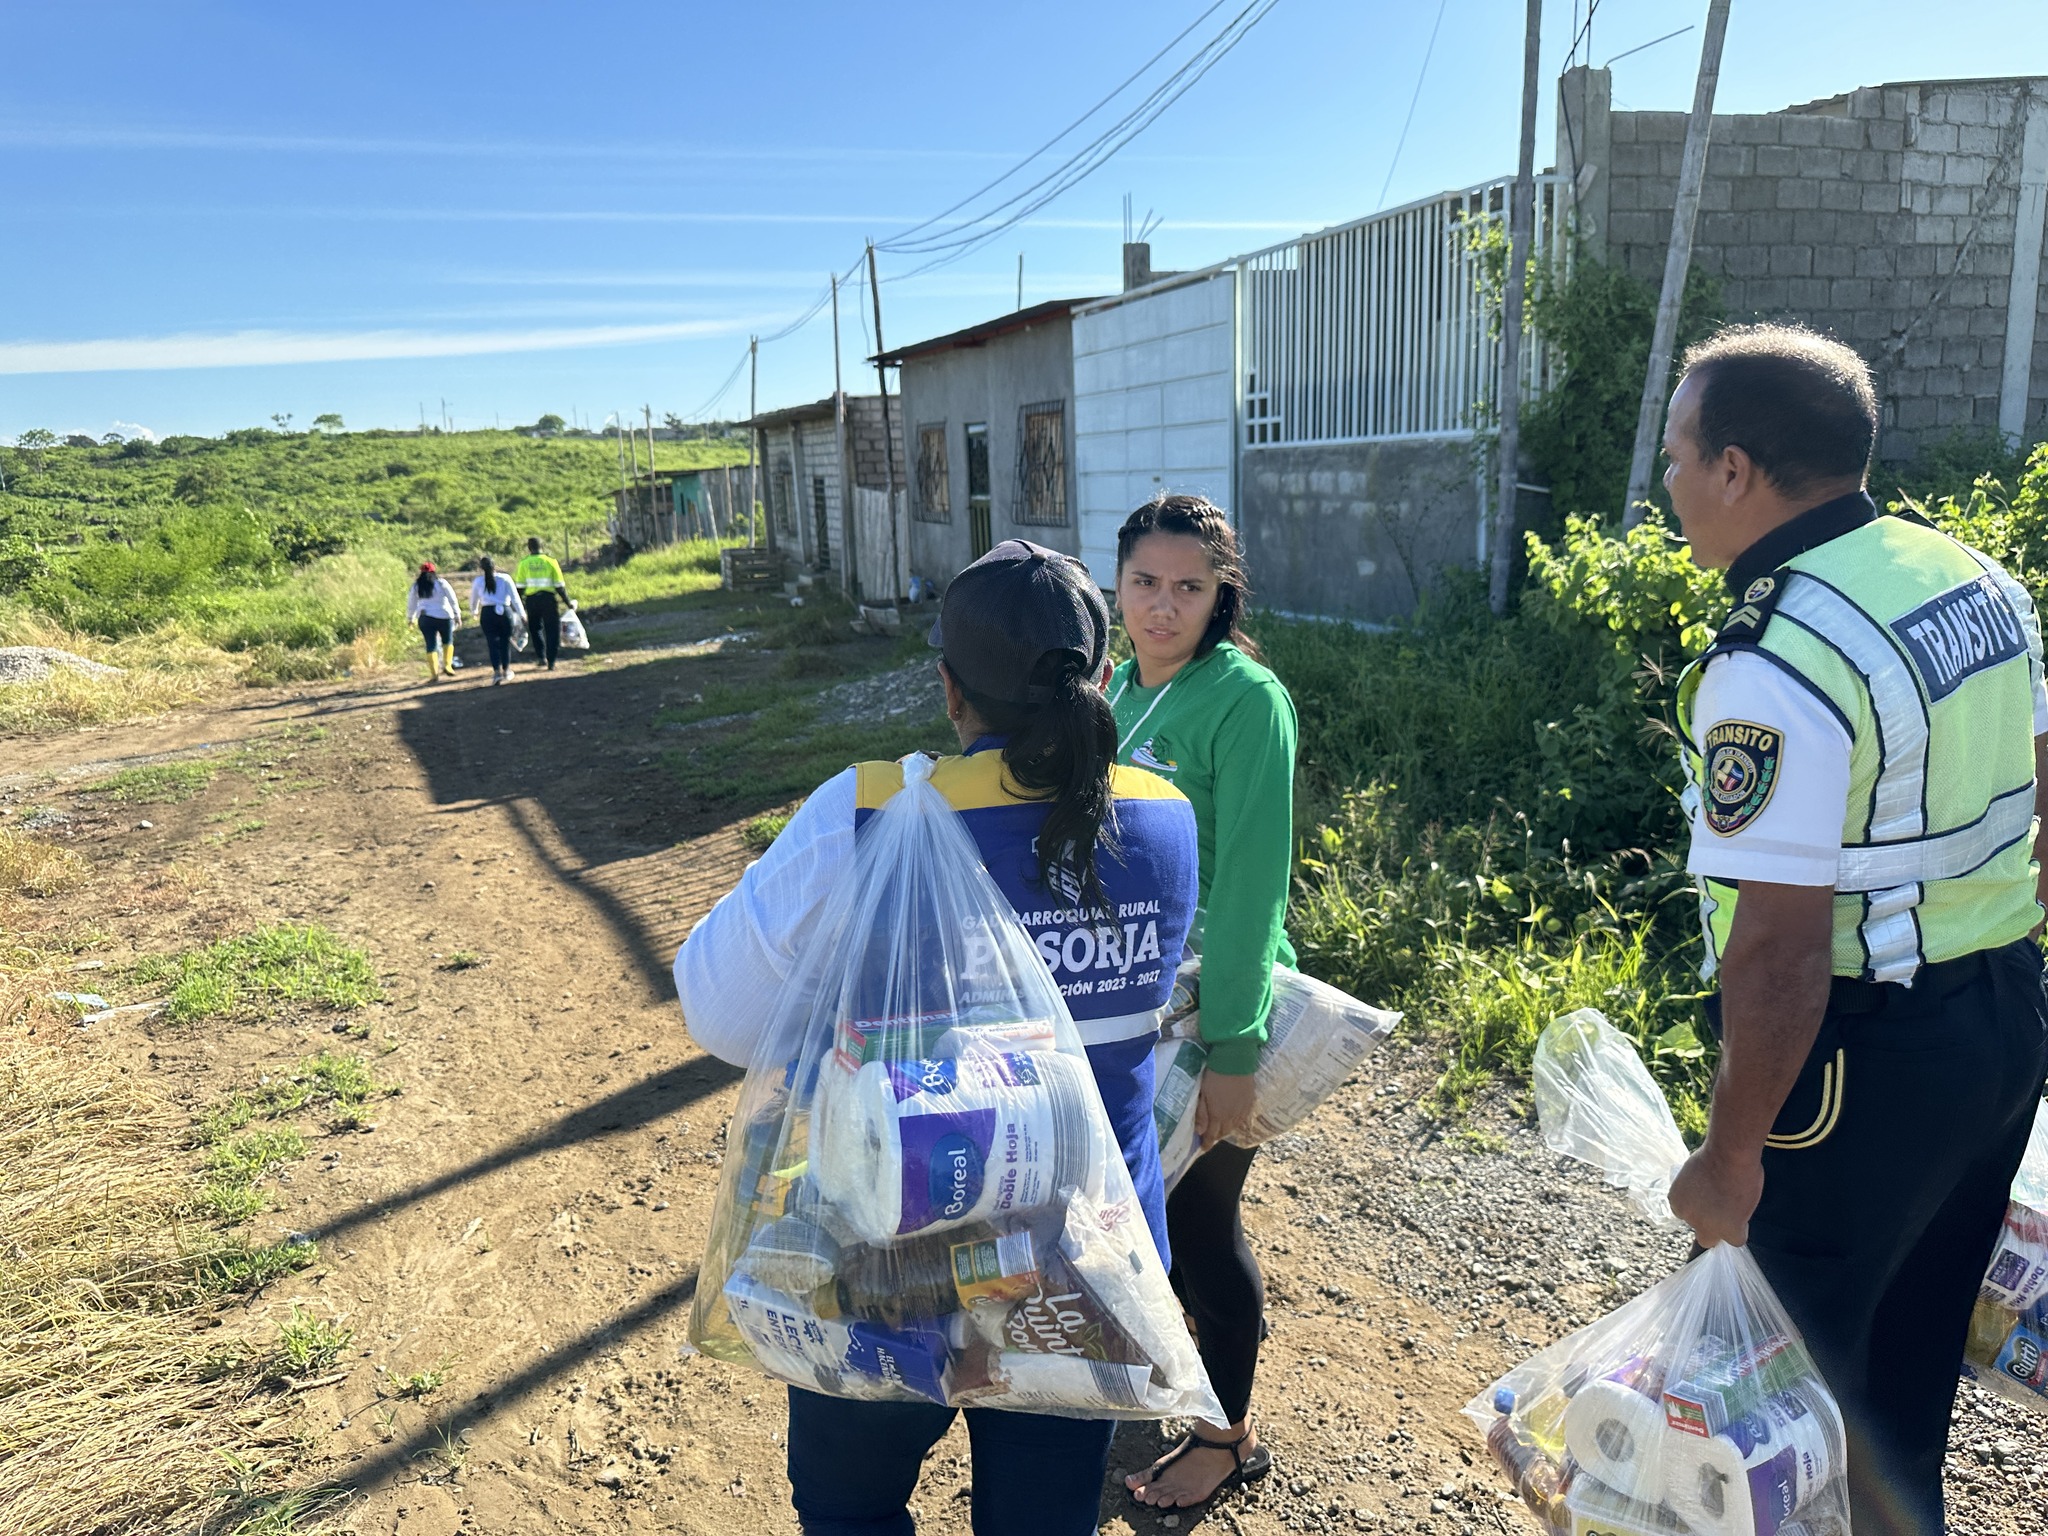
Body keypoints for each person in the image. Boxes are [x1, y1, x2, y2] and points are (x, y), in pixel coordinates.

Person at [676, 539, 1200, 1536]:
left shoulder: (874, 810)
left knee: (852, 1510)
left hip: (891, 1263)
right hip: (1086, 1263)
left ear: (950, 690)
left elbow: (720, 1011)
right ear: (1101, 679)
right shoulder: (1167, 821)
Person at [1660, 323, 2048, 1536]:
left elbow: (1778, 950)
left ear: (1733, 470)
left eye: (1674, 455)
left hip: (1857, 1062)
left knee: (1766, 1397)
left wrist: (1728, 1160)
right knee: (1905, 1371)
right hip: (1999, 1015)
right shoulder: (1966, 577)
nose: (1665, 482)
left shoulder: (1776, 655)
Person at [1109, 494, 1295, 1512]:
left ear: (1221, 593)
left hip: (1210, 1008)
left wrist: (1234, 1047)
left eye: (1189, 587)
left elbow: (1254, 890)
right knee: (1139, 1210)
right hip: (1134, 997)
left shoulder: (1245, 700)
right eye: (1145, 582)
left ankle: (1226, 1440)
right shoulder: (1118, 684)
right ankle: (1172, 1371)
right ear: (1117, 582)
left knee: (1199, 1223)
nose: (1163, 606)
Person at [515, 536, 571, 671]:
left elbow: (520, 587)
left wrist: (518, 605)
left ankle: (541, 657)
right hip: (548, 599)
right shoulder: (551, 562)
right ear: (542, 547)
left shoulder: (524, 563)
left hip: (532, 600)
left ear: (529, 548)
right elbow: (559, 586)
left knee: (535, 629)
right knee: (552, 630)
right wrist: (568, 602)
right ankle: (552, 661)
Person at [470, 555, 526, 686]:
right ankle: (506, 670)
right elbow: (515, 598)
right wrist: (522, 614)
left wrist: (474, 611)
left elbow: (473, 599)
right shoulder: (505, 578)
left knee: (492, 642)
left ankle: (496, 672)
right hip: (505, 612)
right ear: (494, 566)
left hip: (487, 613)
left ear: (481, 568)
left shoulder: (478, 581)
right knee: (505, 642)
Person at [405, 561, 463, 682]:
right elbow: (452, 599)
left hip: (425, 618)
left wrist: (411, 618)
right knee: (447, 641)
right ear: (434, 572)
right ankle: (448, 666)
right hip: (444, 616)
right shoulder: (441, 583)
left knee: (431, 645)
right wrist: (457, 614)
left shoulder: (417, 586)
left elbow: (411, 603)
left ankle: (434, 673)